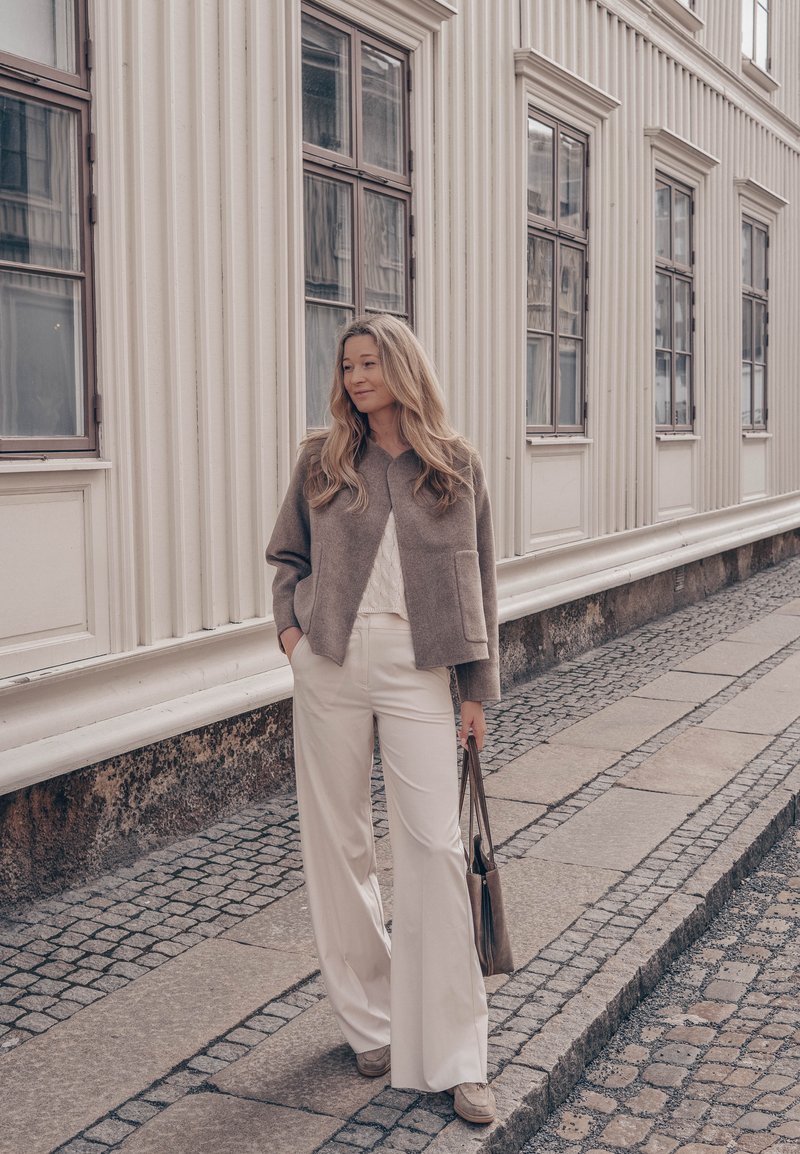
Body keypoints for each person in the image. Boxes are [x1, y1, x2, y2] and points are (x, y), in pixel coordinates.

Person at [265, 313, 500, 1125]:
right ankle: (370, 1020)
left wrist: (474, 693)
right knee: (341, 844)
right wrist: (293, 637)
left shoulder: (454, 465)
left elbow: (482, 588)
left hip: (417, 668)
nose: (359, 377)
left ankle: (457, 1052)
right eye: (349, 366)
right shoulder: (321, 458)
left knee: (433, 848)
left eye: (372, 363)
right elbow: (286, 557)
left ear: (403, 368)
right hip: (329, 662)